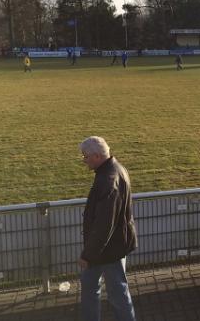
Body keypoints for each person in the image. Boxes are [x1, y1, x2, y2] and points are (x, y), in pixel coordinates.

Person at [79, 136, 137, 321]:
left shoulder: (107, 180)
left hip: (106, 250)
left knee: (115, 293)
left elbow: (104, 225)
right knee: (104, 289)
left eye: (85, 156)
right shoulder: (117, 169)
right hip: (112, 246)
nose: (84, 160)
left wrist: (87, 255)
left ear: (96, 156)